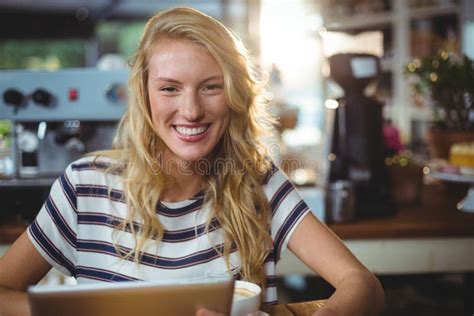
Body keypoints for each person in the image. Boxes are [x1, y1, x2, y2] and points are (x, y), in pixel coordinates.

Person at [0, 7, 384, 316]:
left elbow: (361, 284)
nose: (192, 110)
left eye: (211, 87)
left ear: (233, 94)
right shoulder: (84, 186)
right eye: (169, 88)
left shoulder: (259, 184)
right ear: (145, 94)